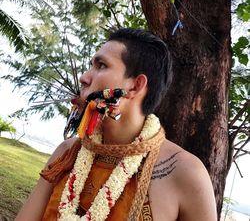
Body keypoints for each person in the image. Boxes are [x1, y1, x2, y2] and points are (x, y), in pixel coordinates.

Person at [15, 28, 217, 221]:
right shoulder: (67, 153)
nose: (84, 77)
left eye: (101, 65)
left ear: (135, 86)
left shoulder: (186, 173)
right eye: (91, 65)